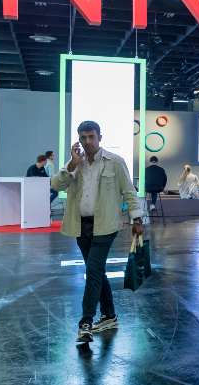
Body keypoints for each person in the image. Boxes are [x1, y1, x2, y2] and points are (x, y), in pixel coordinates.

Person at [51, 120, 143, 344]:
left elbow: (129, 192)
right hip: (80, 225)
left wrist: (137, 219)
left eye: (91, 137)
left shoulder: (115, 162)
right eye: (83, 137)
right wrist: (73, 163)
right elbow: (56, 185)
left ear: (100, 137)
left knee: (93, 270)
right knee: (97, 271)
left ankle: (85, 322)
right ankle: (109, 315)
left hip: (105, 226)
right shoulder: (75, 164)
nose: (87, 141)